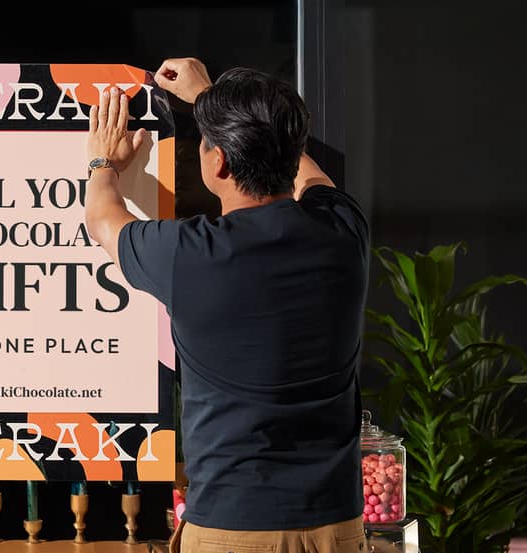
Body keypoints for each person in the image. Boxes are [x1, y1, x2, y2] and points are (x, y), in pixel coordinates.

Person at [83, 57, 369, 553]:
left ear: (218, 163)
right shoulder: (343, 231)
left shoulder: (188, 255)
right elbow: (310, 175)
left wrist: (102, 161)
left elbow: (103, 218)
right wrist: (212, 102)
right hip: (337, 527)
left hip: (232, 530)